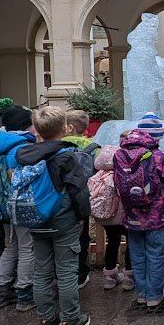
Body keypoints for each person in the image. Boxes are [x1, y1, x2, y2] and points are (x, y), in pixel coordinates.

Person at [15, 107, 95, 325]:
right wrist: (82, 215)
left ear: (37, 129)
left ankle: (47, 320)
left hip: (36, 217)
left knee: (41, 271)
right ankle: (71, 319)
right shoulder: (66, 156)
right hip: (63, 219)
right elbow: (78, 191)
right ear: (64, 128)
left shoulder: (25, 155)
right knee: (67, 270)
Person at [115, 114, 164, 308]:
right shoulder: (158, 155)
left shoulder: (121, 154)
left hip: (131, 214)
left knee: (137, 253)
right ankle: (154, 294)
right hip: (155, 214)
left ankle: (141, 292)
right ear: (157, 137)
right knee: (156, 253)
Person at [0, 104, 36, 311]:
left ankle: (1, 291)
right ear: (26, 126)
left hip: (2, 206)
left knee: (9, 246)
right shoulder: (22, 147)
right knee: (27, 247)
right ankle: (24, 293)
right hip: (20, 204)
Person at [63, 110, 98, 289]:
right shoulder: (93, 148)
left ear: (68, 127)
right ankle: (81, 274)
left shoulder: (58, 146)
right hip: (83, 199)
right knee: (82, 236)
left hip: (60, 201)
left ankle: (62, 275)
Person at [92, 144, 132, 292]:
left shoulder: (97, 176)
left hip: (107, 218)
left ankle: (109, 277)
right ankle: (129, 277)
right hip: (122, 216)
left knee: (112, 242)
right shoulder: (121, 174)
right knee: (131, 242)